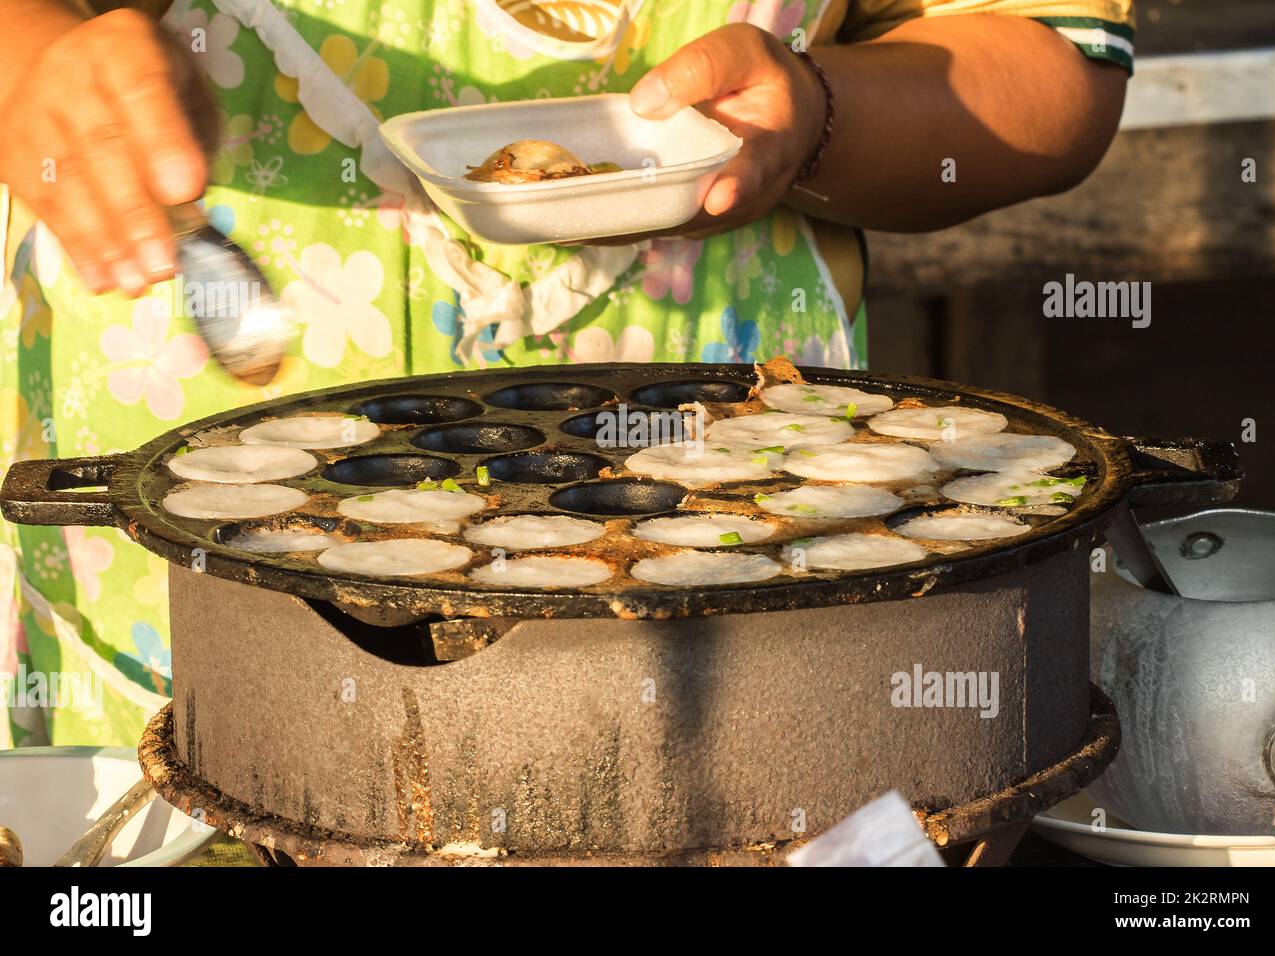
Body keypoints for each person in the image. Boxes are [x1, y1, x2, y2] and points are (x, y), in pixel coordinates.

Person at [0, 0, 1133, 747]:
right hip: (203, 556)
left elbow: (1059, 61)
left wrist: (823, 111)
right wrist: (36, 69)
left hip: (749, 534)